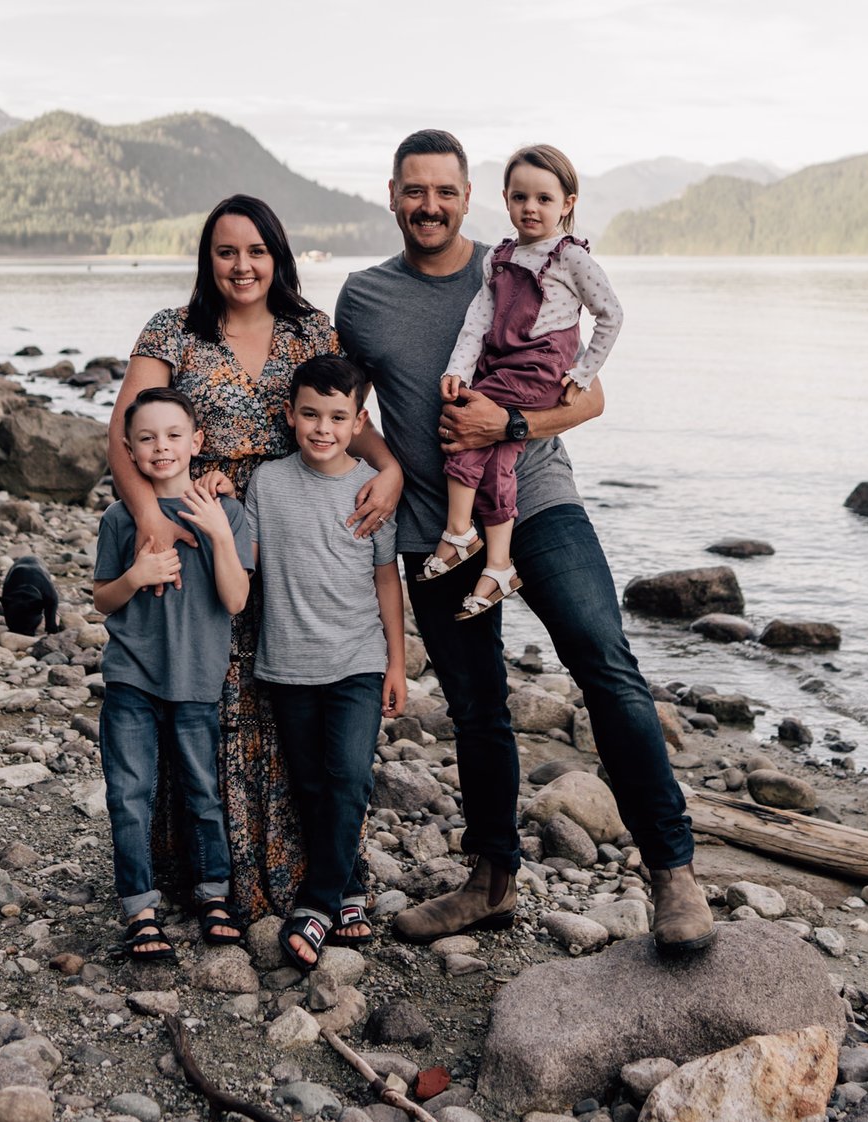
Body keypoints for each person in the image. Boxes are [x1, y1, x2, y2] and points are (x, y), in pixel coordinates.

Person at [335, 128, 713, 955]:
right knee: (476, 708)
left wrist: (509, 421)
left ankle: (674, 872)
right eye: (413, 190)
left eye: (444, 191)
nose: (428, 205)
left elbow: (591, 399)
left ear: (469, 197)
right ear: (392, 195)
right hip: (438, 529)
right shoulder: (363, 298)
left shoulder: (520, 262)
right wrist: (388, 469)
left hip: (538, 501)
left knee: (603, 662)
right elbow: (344, 410)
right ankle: (492, 880)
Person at [109, 194, 402, 931]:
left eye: (256, 251)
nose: (242, 266)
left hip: (290, 535)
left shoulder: (309, 330)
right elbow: (124, 432)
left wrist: (391, 468)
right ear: (208, 260)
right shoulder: (172, 330)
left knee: (296, 716)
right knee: (204, 705)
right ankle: (207, 879)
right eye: (226, 251)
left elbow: (342, 415)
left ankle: (323, 878)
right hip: (202, 535)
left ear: (278, 257)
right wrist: (152, 520)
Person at [245, 353, 406, 970]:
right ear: (289, 415)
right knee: (311, 786)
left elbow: (386, 579)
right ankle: (352, 886)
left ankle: (314, 905)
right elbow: (249, 557)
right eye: (310, 414)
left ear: (358, 419)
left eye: (338, 417)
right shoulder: (268, 481)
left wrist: (396, 661)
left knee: (349, 776)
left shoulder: (369, 484)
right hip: (287, 660)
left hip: (357, 659)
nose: (322, 428)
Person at [426, 144, 624, 621]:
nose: (530, 208)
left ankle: (459, 532)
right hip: (504, 363)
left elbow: (610, 315)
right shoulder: (499, 256)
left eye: (543, 199)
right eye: (520, 198)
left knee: (461, 428)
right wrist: (456, 368)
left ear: (567, 204)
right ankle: (497, 566)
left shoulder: (570, 258)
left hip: (539, 366)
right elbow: (478, 320)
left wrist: (583, 372)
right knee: (495, 464)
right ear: (506, 199)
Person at [90, 387, 254, 962]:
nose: (162, 447)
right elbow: (102, 601)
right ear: (130, 452)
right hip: (131, 680)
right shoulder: (119, 518)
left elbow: (236, 600)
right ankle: (139, 907)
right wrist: (136, 575)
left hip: (197, 682)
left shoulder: (227, 512)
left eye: (173, 435)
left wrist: (220, 534)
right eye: (147, 439)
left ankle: (214, 896)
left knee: (202, 792)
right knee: (129, 795)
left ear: (197, 443)